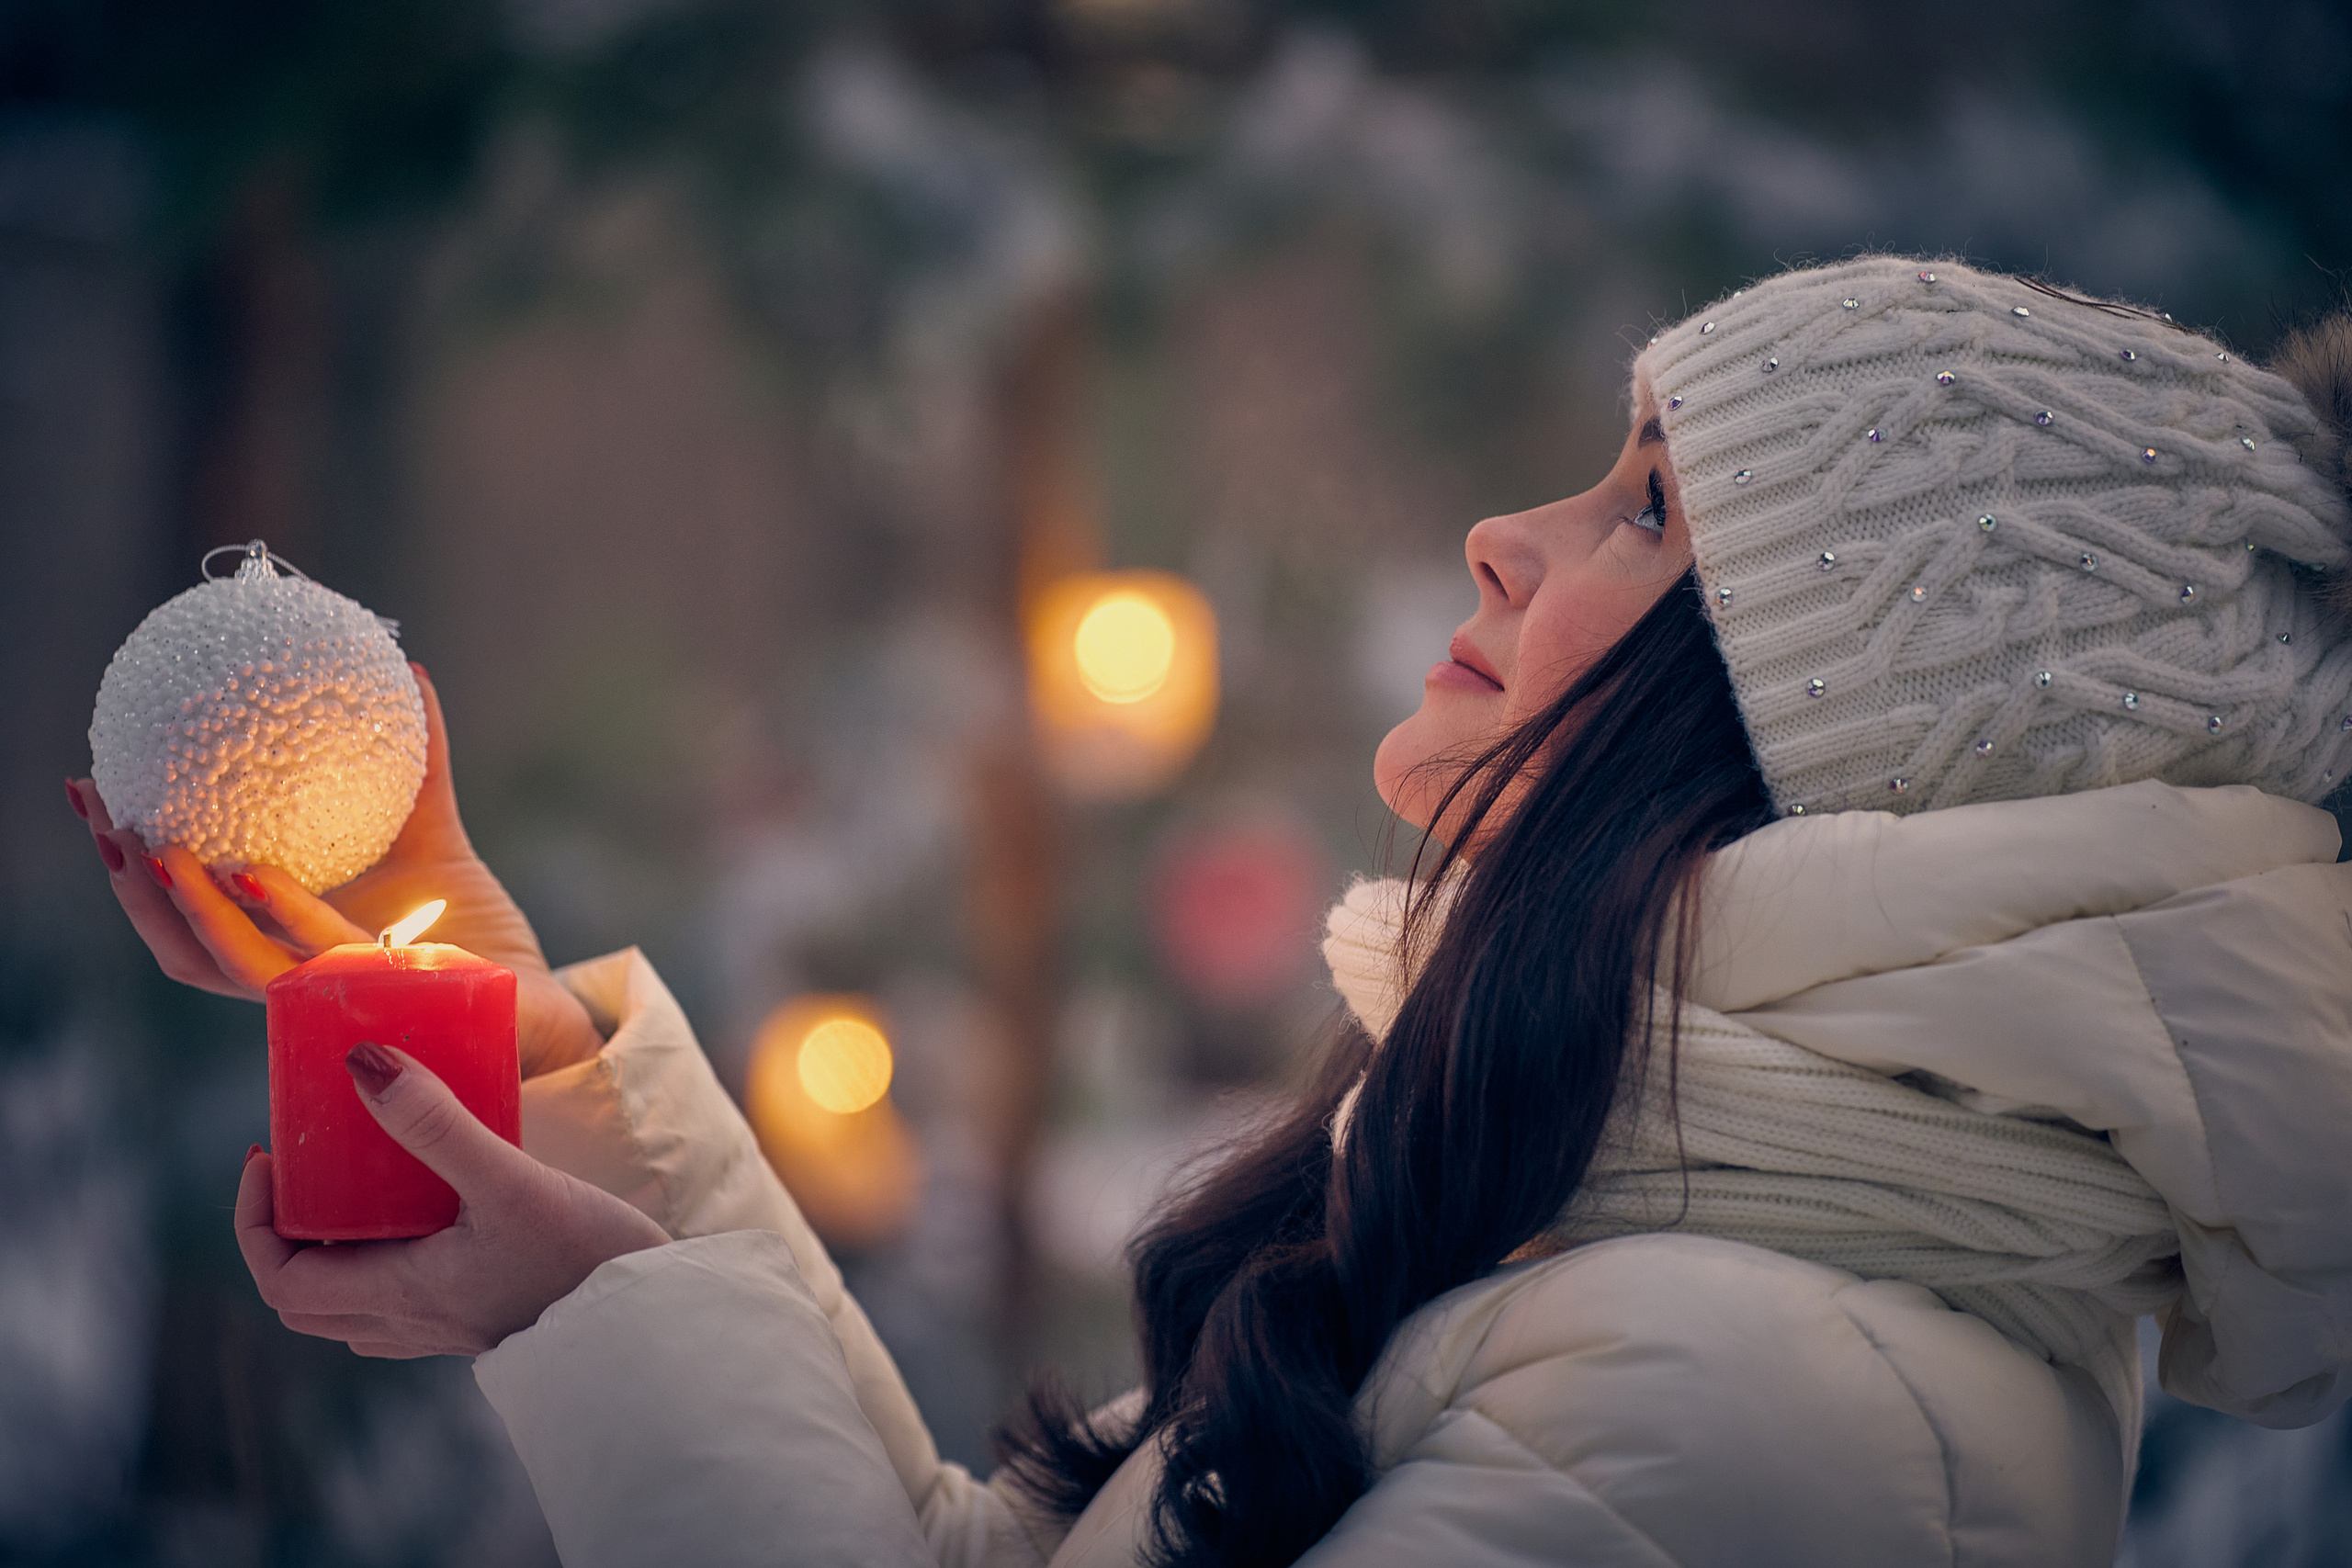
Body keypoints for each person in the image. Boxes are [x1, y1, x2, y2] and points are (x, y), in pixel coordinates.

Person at [71, 255, 2352, 1568]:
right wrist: (479, 980)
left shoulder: (1757, 1404)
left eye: (1649, 512)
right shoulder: (1620, 1227)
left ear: (1823, 742)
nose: (1500, 530)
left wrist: (625, 1312)